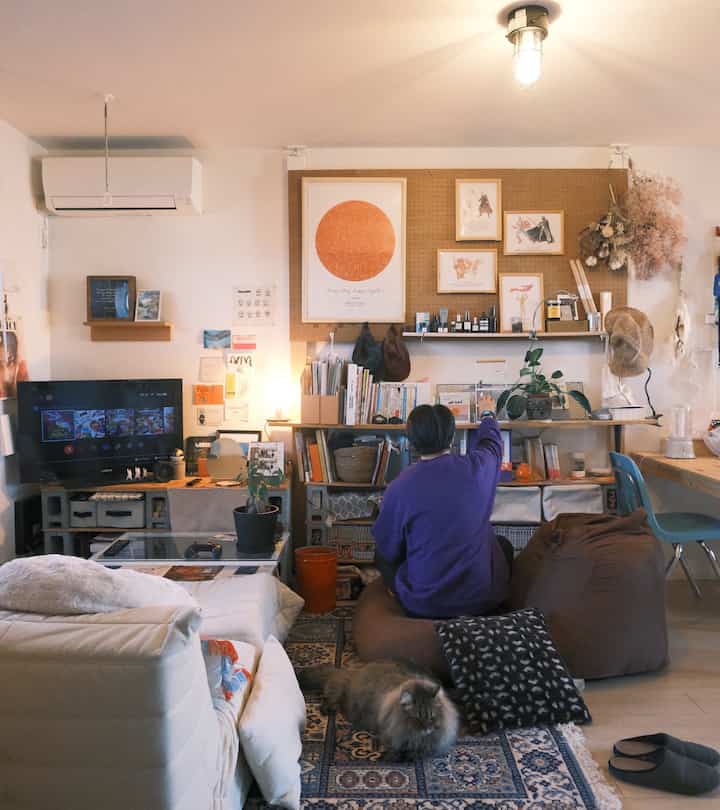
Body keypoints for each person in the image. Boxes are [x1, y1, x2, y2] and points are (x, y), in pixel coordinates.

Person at [372, 399, 511, 620]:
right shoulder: (478, 467)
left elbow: (389, 549)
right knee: (502, 545)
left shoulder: (399, 486)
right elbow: (493, 445)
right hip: (481, 600)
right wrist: (487, 414)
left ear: (412, 440)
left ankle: (399, 597)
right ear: (452, 435)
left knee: (381, 552)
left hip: (425, 604)